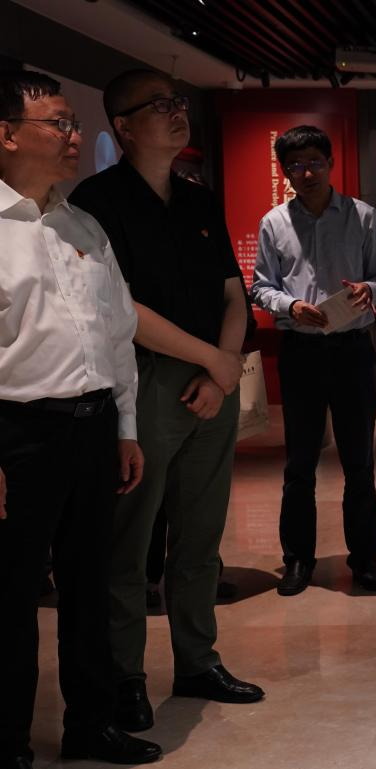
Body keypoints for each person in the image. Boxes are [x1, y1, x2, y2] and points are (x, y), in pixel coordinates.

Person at [70, 68, 263, 733]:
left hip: (214, 382)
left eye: (178, 101)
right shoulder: (96, 202)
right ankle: (125, 674)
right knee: (130, 541)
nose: (177, 112)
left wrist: (223, 370)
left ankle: (197, 658)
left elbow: (233, 292)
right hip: (146, 380)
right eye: (160, 105)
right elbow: (121, 308)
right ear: (122, 127)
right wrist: (211, 359)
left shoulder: (199, 199)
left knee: (201, 535)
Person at [0, 69, 161, 768]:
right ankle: (7, 740)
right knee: (10, 595)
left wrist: (125, 427)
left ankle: (91, 724)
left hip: (93, 426)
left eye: (74, 123)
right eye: (59, 124)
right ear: (7, 134)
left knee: (88, 584)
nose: (74, 136)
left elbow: (117, 332)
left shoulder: (82, 224)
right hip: (18, 434)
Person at [251, 124, 376, 596]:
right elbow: (261, 286)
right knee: (300, 464)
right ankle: (297, 560)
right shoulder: (274, 222)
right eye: (295, 165)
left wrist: (368, 290)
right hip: (302, 352)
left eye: (314, 162)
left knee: (360, 462)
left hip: (352, 350)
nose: (306, 172)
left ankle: (365, 560)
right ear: (285, 171)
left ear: (330, 164)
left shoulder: (361, 216)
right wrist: (290, 306)